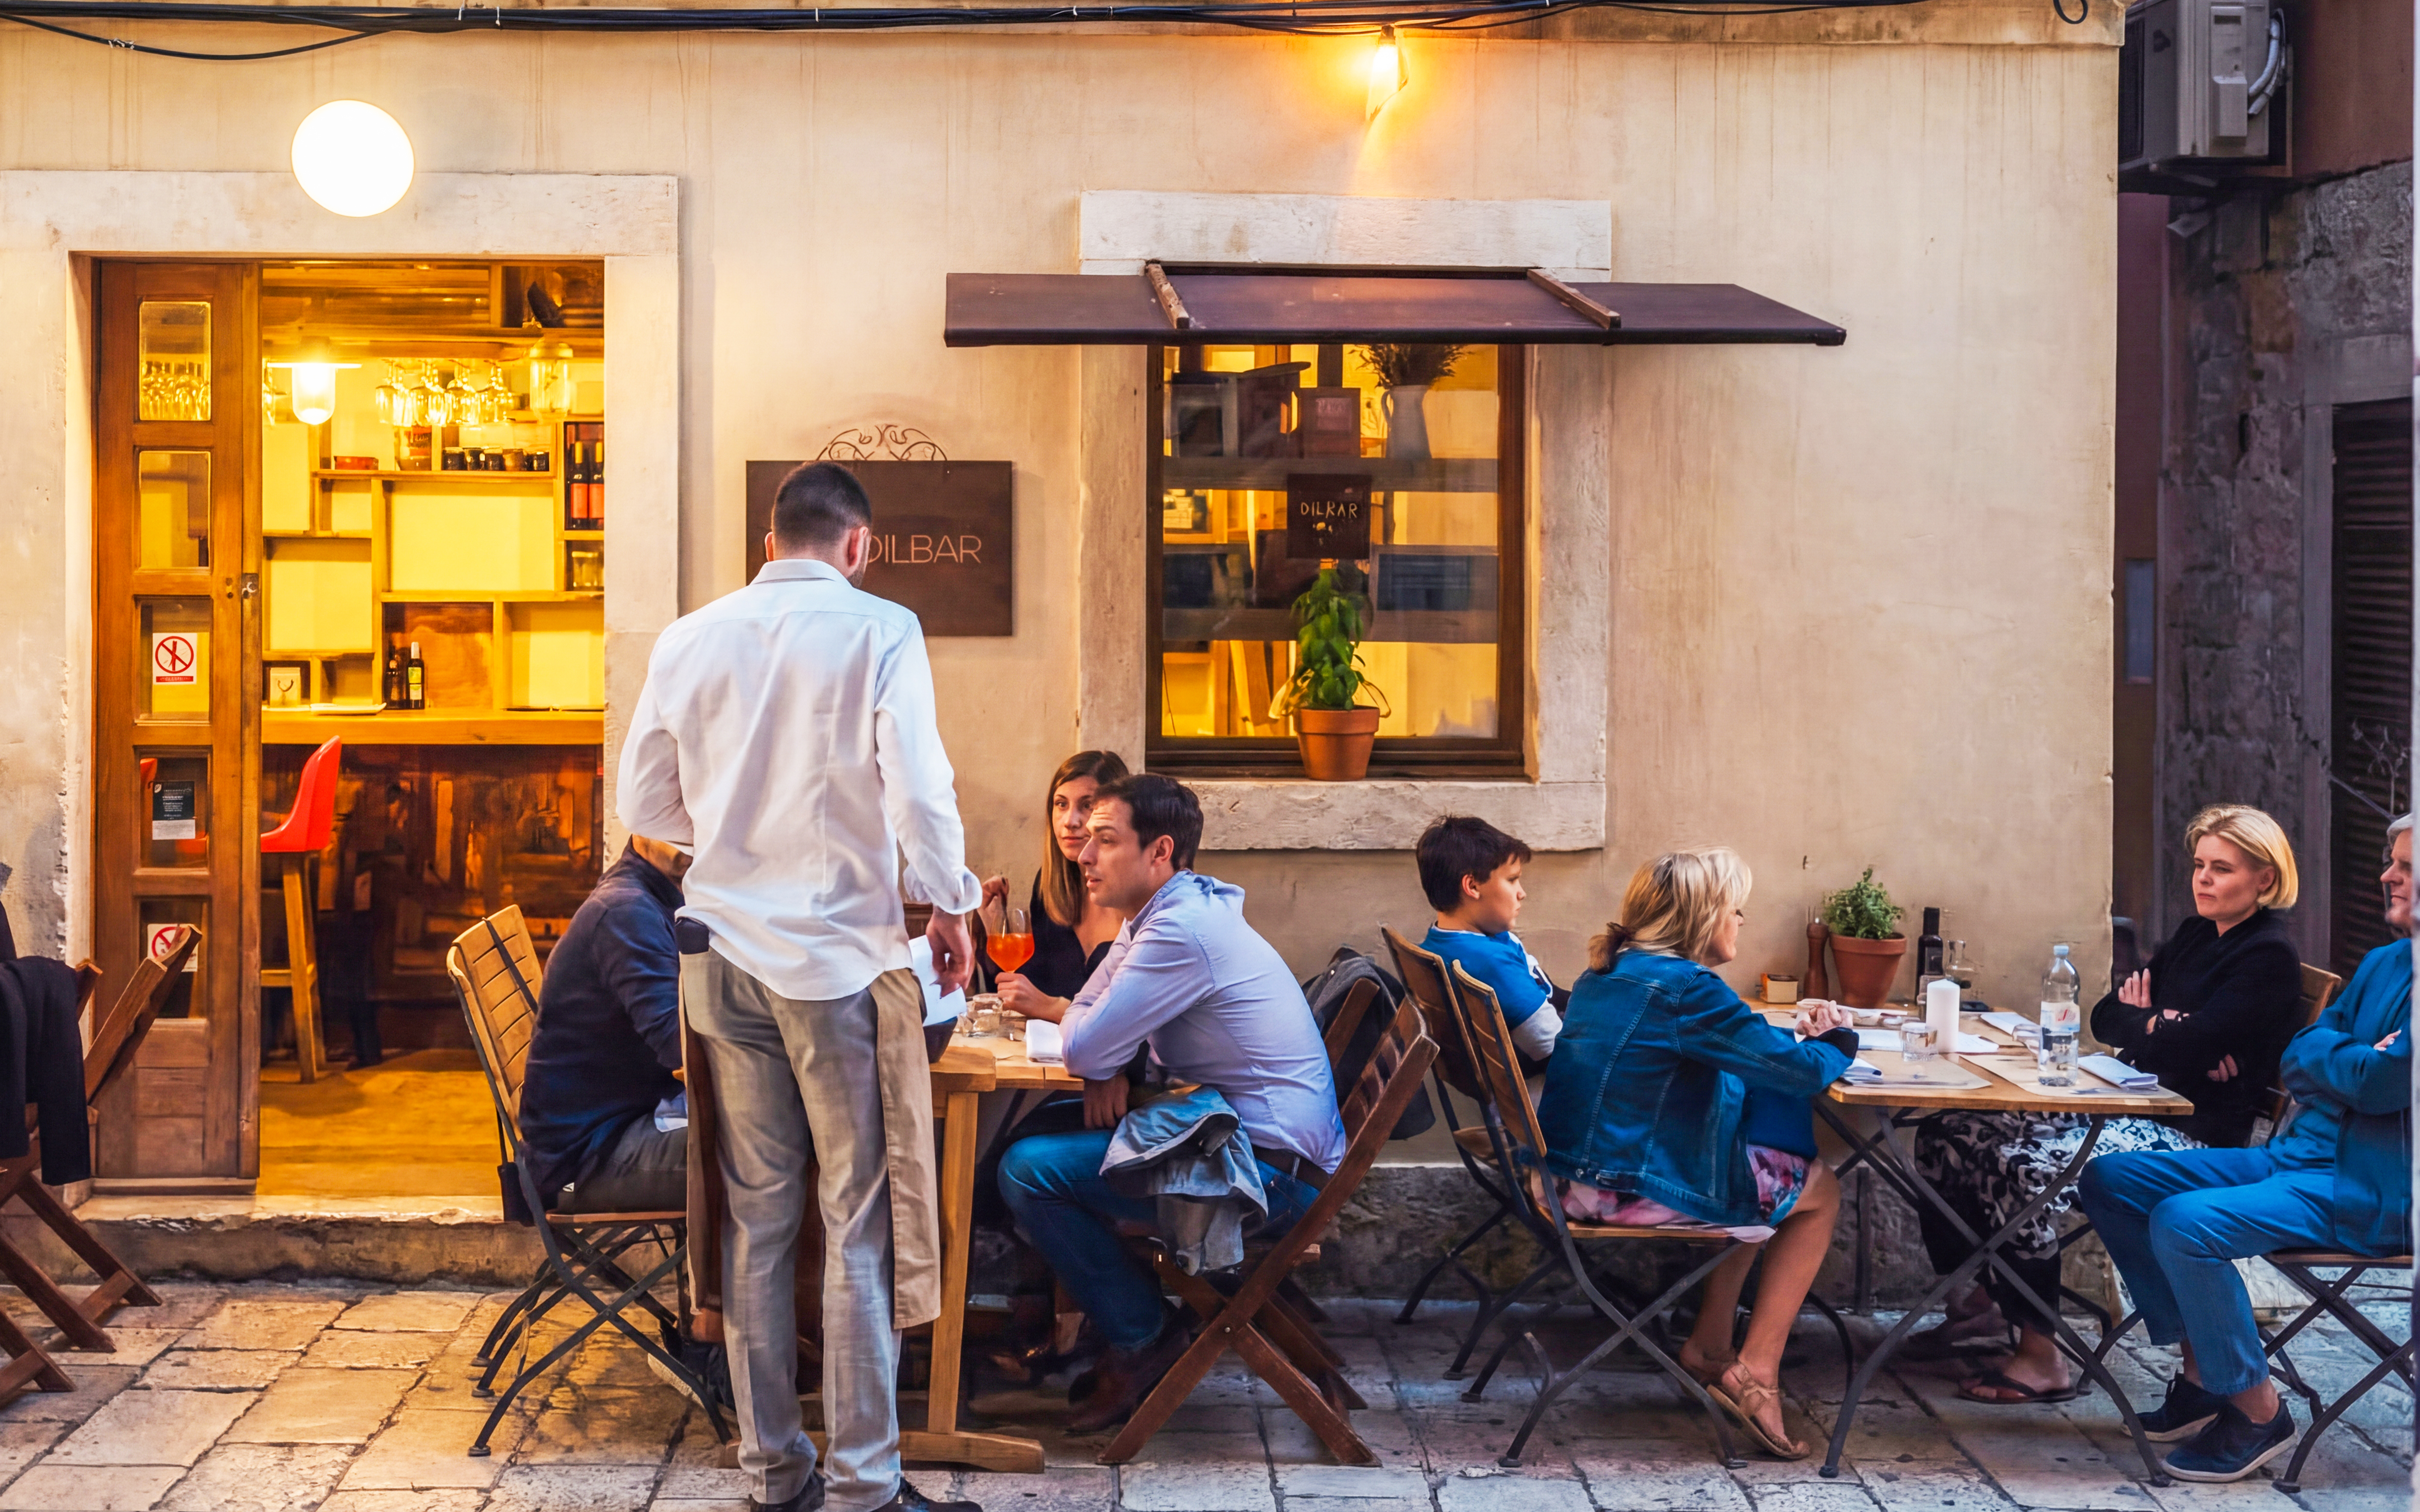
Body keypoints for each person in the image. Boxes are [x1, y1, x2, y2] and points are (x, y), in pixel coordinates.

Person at [620, 460, 983, 1512]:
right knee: (857, 1217)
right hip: (833, 961)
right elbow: (920, 786)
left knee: (760, 1218)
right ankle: (867, 1483)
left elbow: (646, 798)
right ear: (859, 546)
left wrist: (739, 829)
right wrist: (951, 904)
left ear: (769, 545)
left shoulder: (689, 637)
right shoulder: (883, 631)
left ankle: (778, 1472)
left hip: (722, 954)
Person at [1908, 805, 2305, 1405]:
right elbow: (2104, 1016)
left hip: (2192, 1132)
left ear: (2265, 880)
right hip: (2132, 1100)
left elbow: (2185, 1037)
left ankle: (2042, 1355)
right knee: (1950, 1131)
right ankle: (1981, 1305)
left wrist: (2168, 1031)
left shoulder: (2267, 957)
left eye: (2221, 869)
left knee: (2025, 1167)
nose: (2202, 879)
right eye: (2199, 865)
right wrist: (2169, 1027)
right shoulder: (2198, 933)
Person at [998, 774, 1346, 1433]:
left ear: (1160, 852)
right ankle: (1113, 1328)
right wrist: (1092, 1036)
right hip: (1243, 1146)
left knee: (1028, 1170)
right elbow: (1092, 1022)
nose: (1083, 856)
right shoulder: (1167, 913)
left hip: (1266, 1176)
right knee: (1049, 1138)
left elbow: (1086, 1045)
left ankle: (1142, 1337)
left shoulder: (1178, 930)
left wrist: (1093, 1042)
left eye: (1105, 840)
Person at [2078, 815, 2412, 1483]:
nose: (2387, 875)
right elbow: (2299, 1055)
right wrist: (2343, 1058)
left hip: (2374, 1185)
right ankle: (2208, 1372)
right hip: (2299, 1158)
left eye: (2405, 866)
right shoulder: (2383, 963)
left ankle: (2258, 1410)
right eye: (2391, 860)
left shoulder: (2279, 953)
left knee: (2187, 1221)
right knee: (2111, 1182)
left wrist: (2337, 1060)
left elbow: (2381, 1084)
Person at [1536, 848, 1857, 1460]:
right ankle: (1756, 1371)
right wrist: (1838, 1035)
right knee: (1816, 1191)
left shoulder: (1613, 971)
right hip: (1619, 1186)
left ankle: (1710, 1344)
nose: (1741, 921)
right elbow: (1798, 1075)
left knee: (1751, 1166)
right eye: (1735, 909)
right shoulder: (1686, 989)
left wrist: (1789, 1041)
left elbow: (1746, 1050)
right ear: (1704, 917)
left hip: (1572, 1175)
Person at [518, 835, 691, 1213]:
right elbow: (680, 1045)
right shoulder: (626, 911)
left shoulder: (656, 896)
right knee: (775, 1151)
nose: (691, 836)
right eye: (675, 822)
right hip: (587, 1159)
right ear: (642, 821)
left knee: (778, 1134)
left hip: (615, 1126)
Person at [1416, 816, 1565, 1062]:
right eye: (1512, 879)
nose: (1522, 893)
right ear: (1473, 886)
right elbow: (1558, 1051)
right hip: (1548, 1093)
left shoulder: (1439, 943)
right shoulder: (1491, 963)